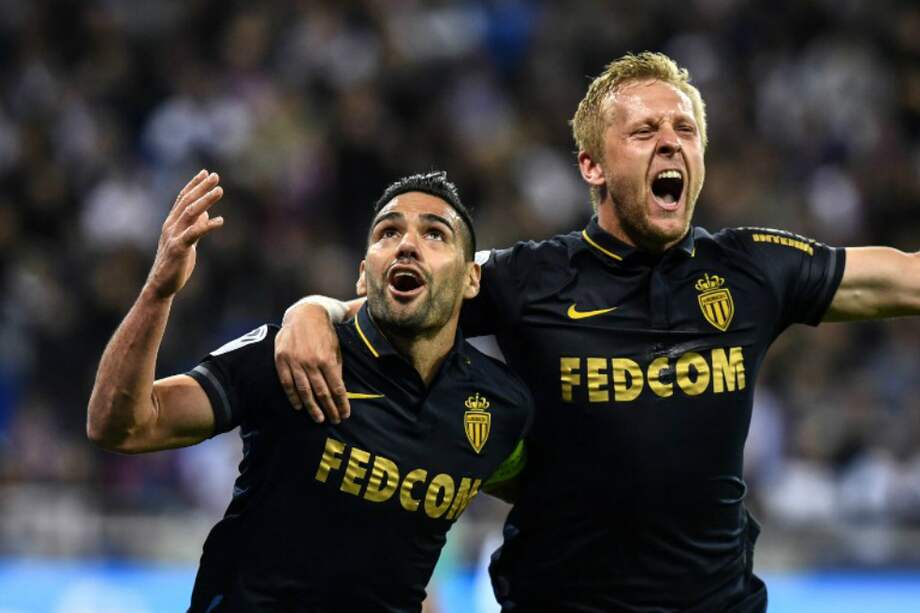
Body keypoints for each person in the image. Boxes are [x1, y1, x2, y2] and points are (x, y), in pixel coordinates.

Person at [275, 52, 920, 612]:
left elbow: (903, 279)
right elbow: (391, 302)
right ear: (592, 165)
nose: (670, 142)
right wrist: (311, 312)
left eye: (685, 130)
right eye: (644, 131)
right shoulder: (528, 278)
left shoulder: (752, 268)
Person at [86, 169, 532, 612]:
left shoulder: (498, 407)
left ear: (472, 279)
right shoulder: (290, 355)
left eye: (435, 234)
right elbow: (120, 426)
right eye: (388, 232)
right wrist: (158, 291)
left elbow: (546, 493)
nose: (407, 245)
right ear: (364, 275)